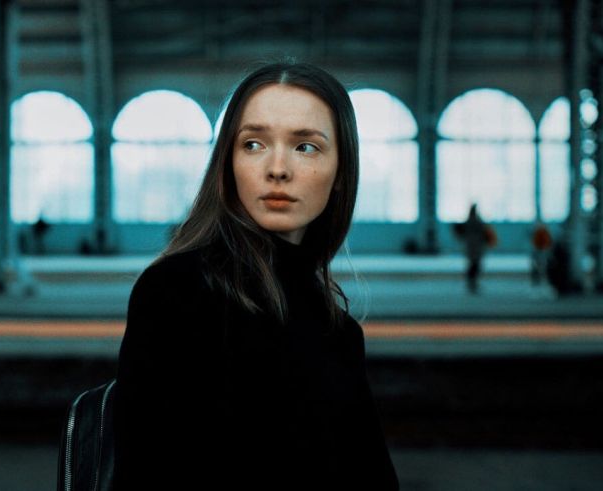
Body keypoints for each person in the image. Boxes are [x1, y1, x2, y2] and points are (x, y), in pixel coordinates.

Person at [113, 62, 398, 489]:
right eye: (253, 144)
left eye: (306, 147)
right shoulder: (177, 292)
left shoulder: (338, 330)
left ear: (341, 172)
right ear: (228, 163)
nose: (277, 168)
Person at [454, 204, 493, 294]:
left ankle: (471, 282)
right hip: (476, 246)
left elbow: (460, 232)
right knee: (475, 265)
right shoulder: (478, 222)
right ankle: (472, 282)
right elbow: (486, 233)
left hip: (470, 246)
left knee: (472, 264)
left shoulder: (468, 222)